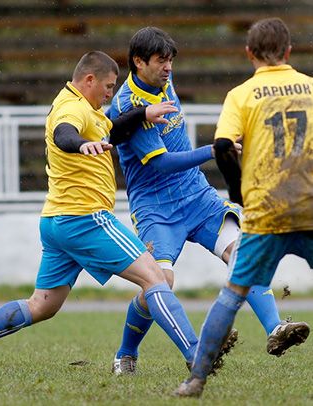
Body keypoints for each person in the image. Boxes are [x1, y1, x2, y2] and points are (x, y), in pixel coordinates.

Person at [0, 50, 210, 378]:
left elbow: (113, 129)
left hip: (56, 222)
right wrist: (79, 145)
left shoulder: (84, 107)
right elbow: (64, 133)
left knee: (42, 305)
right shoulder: (72, 108)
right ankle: (196, 354)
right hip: (86, 219)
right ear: (89, 79)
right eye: (108, 86)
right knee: (156, 278)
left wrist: (142, 113)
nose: (111, 92)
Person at [107, 26, 308, 376]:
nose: (168, 68)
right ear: (138, 62)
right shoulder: (129, 105)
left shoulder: (162, 81)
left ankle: (275, 329)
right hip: (157, 207)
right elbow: (161, 163)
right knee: (159, 282)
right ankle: (126, 353)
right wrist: (213, 150)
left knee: (242, 255)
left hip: (197, 197)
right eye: (160, 61)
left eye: (171, 61)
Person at [176, 17, 312, 398]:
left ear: (249, 53)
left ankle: (196, 380)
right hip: (309, 206)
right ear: (288, 52)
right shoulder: (311, 88)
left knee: (234, 292)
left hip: (265, 211)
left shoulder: (242, 94)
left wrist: (238, 193)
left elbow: (222, 147)